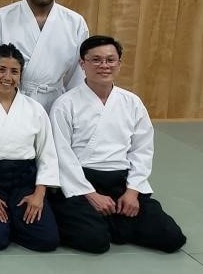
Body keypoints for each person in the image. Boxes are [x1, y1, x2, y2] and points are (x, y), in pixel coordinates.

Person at [49, 35, 186, 254]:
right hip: (82, 181)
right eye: (96, 60)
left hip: (121, 181)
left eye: (110, 60)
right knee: (96, 243)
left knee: (172, 238)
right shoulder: (65, 104)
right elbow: (62, 155)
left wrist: (132, 191)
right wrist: (90, 194)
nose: (104, 65)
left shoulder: (132, 102)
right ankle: (92, 219)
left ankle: (108, 221)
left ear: (119, 63)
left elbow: (142, 150)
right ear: (82, 64)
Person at [0, 44, 59, 251]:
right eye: (1, 69)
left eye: (14, 71)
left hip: (24, 182)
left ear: (20, 76)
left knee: (47, 240)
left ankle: (13, 222)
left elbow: (47, 154)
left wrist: (39, 194)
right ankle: (7, 225)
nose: (7, 76)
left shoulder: (35, 109)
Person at [0, 0, 89, 112]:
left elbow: (78, 75)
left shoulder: (75, 22)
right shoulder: (1, 18)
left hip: (55, 104)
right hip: (10, 101)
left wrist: (73, 109)